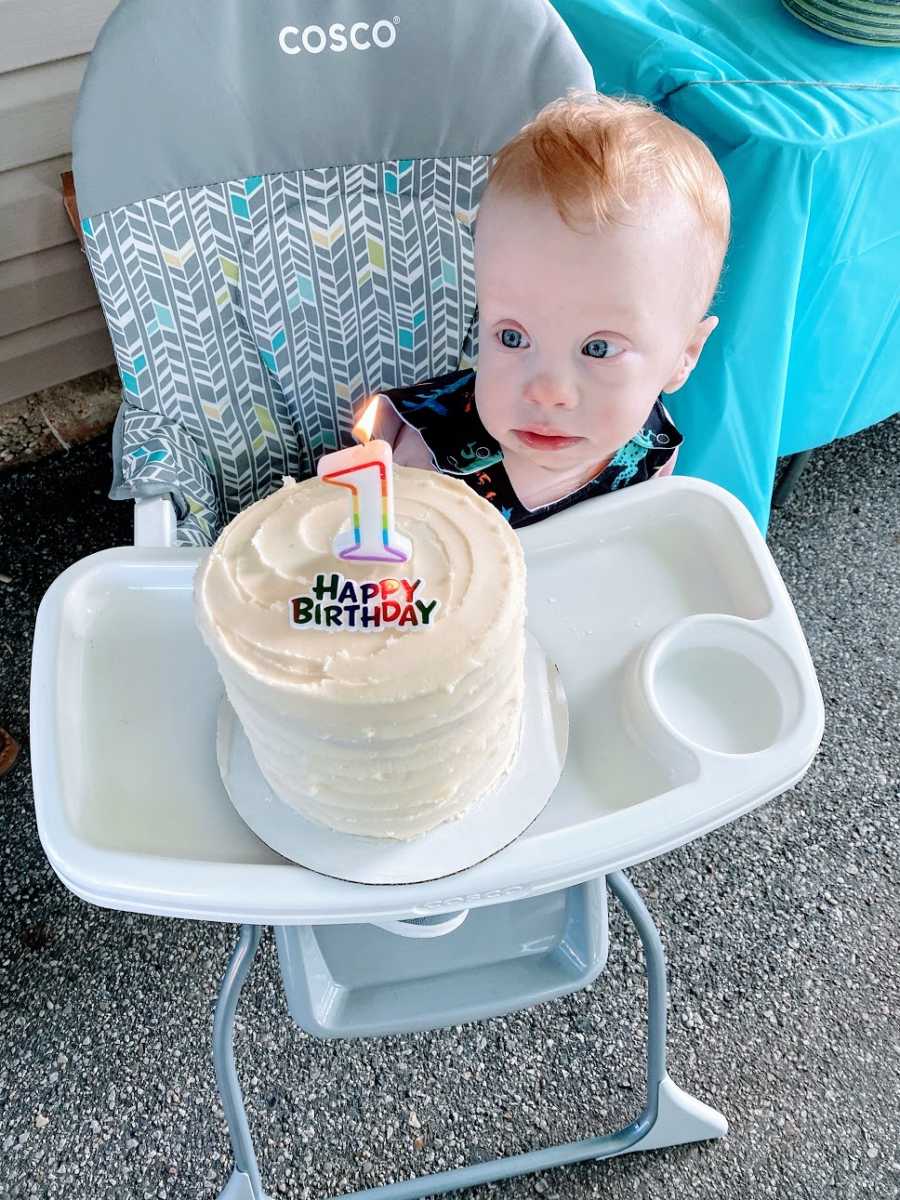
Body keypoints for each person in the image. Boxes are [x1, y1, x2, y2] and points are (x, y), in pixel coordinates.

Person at [373, 90, 731, 527]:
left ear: (683, 357)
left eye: (598, 348)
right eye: (512, 337)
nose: (548, 391)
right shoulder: (426, 467)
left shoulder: (649, 446)